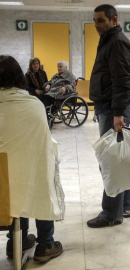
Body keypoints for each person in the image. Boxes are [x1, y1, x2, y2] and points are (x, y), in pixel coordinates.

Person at [0, 55, 64, 263]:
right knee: (40, 175)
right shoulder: (33, 104)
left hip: (3, 185)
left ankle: (15, 241)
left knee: (11, 182)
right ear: (20, 76)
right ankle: (45, 243)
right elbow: (43, 144)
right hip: (29, 172)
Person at [87, 4, 130, 228]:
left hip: (114, 109)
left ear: (113, 19)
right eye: (95, 20)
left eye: (101, 20)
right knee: (120, 159)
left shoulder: (116, 42)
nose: (97, 25)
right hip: (109, 107)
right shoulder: (109, 39)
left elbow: (122, 81)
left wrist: (117, 113)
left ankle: (111, 214)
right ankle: (124, 206)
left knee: (111, 163)